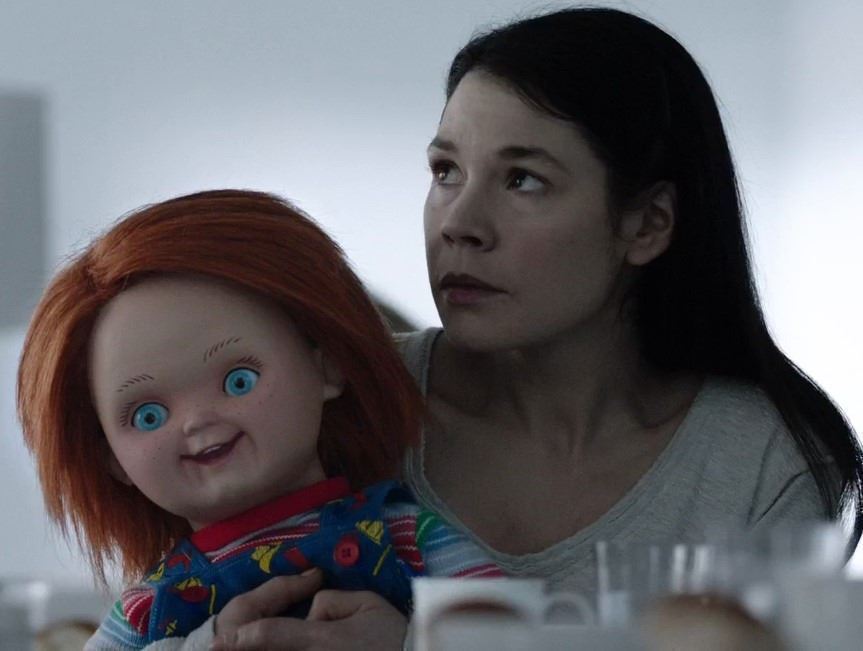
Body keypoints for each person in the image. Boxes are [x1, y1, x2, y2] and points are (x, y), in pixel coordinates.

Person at [198, 7, 863, 650]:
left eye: (522, 179)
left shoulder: (755, 461)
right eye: (445, 171)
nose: (459, 223)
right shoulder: (338, 401)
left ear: (647, 223)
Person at [16, 190, 501, 650]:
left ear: (326, 369)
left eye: (239, 381)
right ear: (111, 459)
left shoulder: (404, 534)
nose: (197, 421)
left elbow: (513, 635)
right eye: (148, 415)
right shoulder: (145, 609)